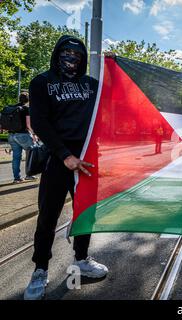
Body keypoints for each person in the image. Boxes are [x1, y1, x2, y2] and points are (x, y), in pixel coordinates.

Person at [25, 35, 108, 300]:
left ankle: (82, 259)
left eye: (77, 55)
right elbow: (39, 122)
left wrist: (115, 71)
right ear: (57, 54)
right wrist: (64, 155)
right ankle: (40, 269)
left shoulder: (92, 85)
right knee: (48, 216)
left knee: (86, 214)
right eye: (66, 54)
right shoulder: (42, 82)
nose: (71, 59)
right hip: (58, 160)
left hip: (88, 160)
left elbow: (112, 107)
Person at [6, 91, 37, 183]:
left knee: (16, 157)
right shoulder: (26, 109)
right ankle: (29, 175)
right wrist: (34, 134)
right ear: (28, 100)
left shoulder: (12, 108)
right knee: (30, 155)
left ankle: (17, 178)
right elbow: (28, 125)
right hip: (23, 135)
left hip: (11, 135)